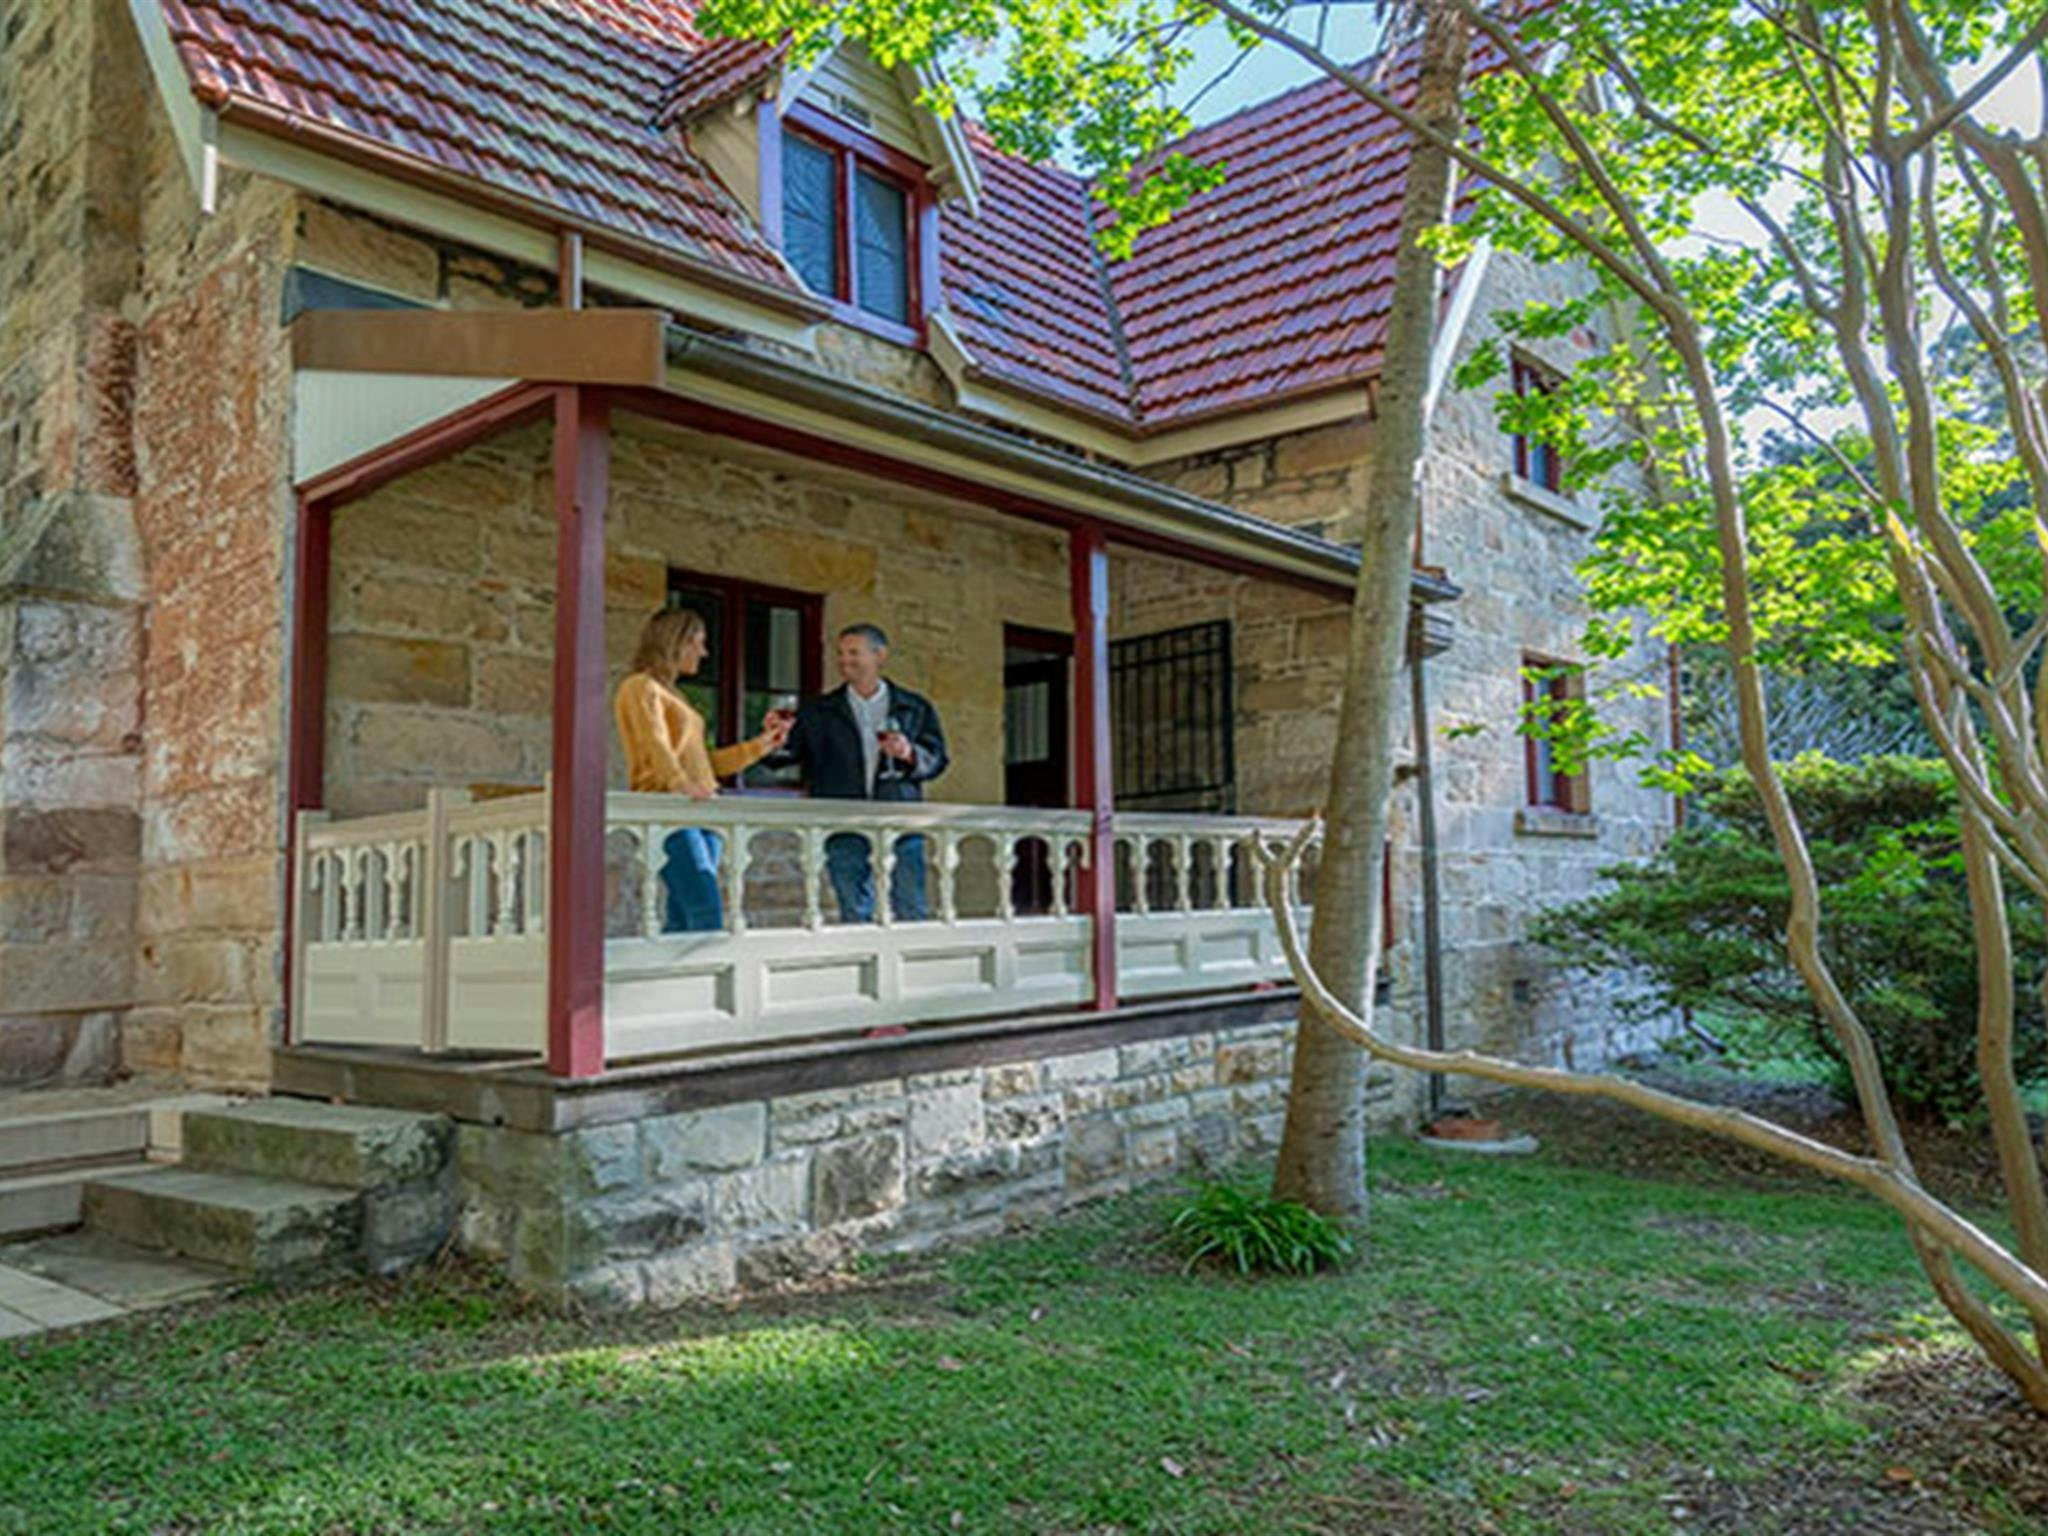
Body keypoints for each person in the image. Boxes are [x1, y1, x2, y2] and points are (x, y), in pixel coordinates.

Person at [614, 608, 789, 931]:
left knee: (684, 915)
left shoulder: (675, 696)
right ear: (676, 642)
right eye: (699, 642)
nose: (704, 653)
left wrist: (761, 746)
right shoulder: (639, 687)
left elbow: (706, 764)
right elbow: (654, 743)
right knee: (706, 910)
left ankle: (674, 983)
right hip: (670, 808)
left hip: (700, 810)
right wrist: (680, 783)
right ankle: (706, 982)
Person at [777, 623, 949, 922]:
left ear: (879, 655)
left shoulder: (915, 707)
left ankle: (911, 968)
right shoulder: (819, 710)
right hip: (843, 820)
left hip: (901, 821)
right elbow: (785, 756)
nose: (845, 660)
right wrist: (773, 739)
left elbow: (937, 759)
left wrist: (909, 754)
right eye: (841, 653)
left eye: (854, 652)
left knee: (911, 906)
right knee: (854, 910)